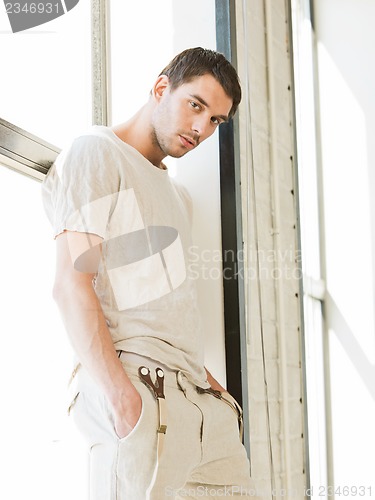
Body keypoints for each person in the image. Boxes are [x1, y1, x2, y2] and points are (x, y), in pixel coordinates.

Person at [42, 47, 252, 499]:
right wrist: (122, 398)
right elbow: (70, 284)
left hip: (198, 400)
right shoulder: (97, 152)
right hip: (141, 389)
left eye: (216, 120)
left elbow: (169, 307)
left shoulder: (179, 197)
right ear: (161, 88)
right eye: (195, 105)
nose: (202, 128)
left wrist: (219, 398)